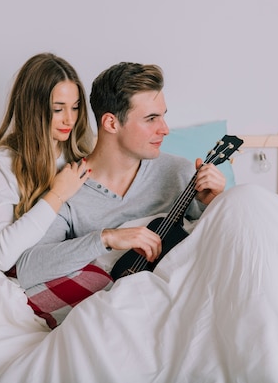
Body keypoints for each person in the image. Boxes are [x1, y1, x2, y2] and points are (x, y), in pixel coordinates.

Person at [15, 62, 226, 293]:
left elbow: (221, 246)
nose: (165, 129)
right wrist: (106, 239)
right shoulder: (69, 188)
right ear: (111, 123)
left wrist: (216, 203)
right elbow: (28, 268)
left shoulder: (179, 172)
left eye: (163, 116)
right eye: (151, 118)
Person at [0, 52, 94, 272]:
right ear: (33, 110)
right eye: (58, 109)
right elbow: (2, 256)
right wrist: (57, 195)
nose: (70, 119)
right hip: (33, 272)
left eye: (75, 107)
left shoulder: (83, 155)